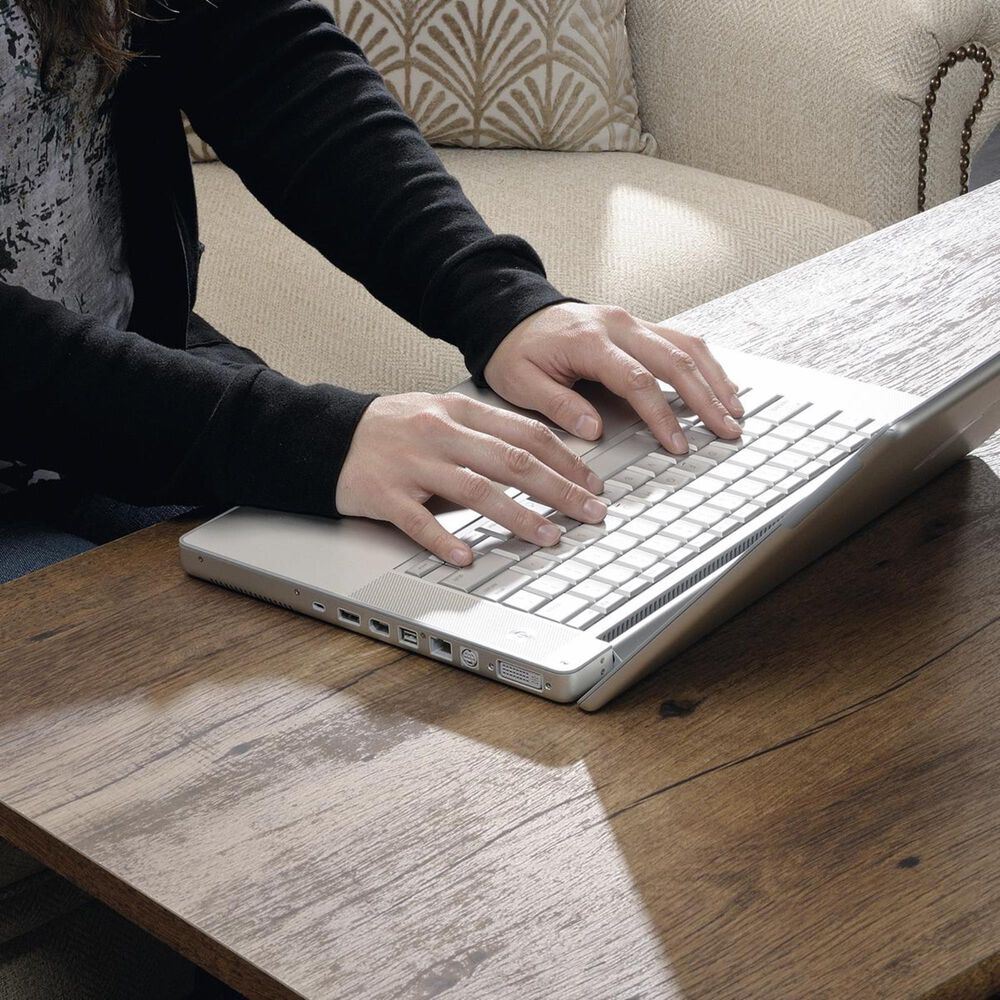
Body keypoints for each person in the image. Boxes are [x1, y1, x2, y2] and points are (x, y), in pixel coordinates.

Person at [0, 0, 744, 994]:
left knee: (449, 706)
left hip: (137, 400)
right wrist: (308, 437)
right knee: (195, 825)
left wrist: (501, 301)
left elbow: (265, 59)